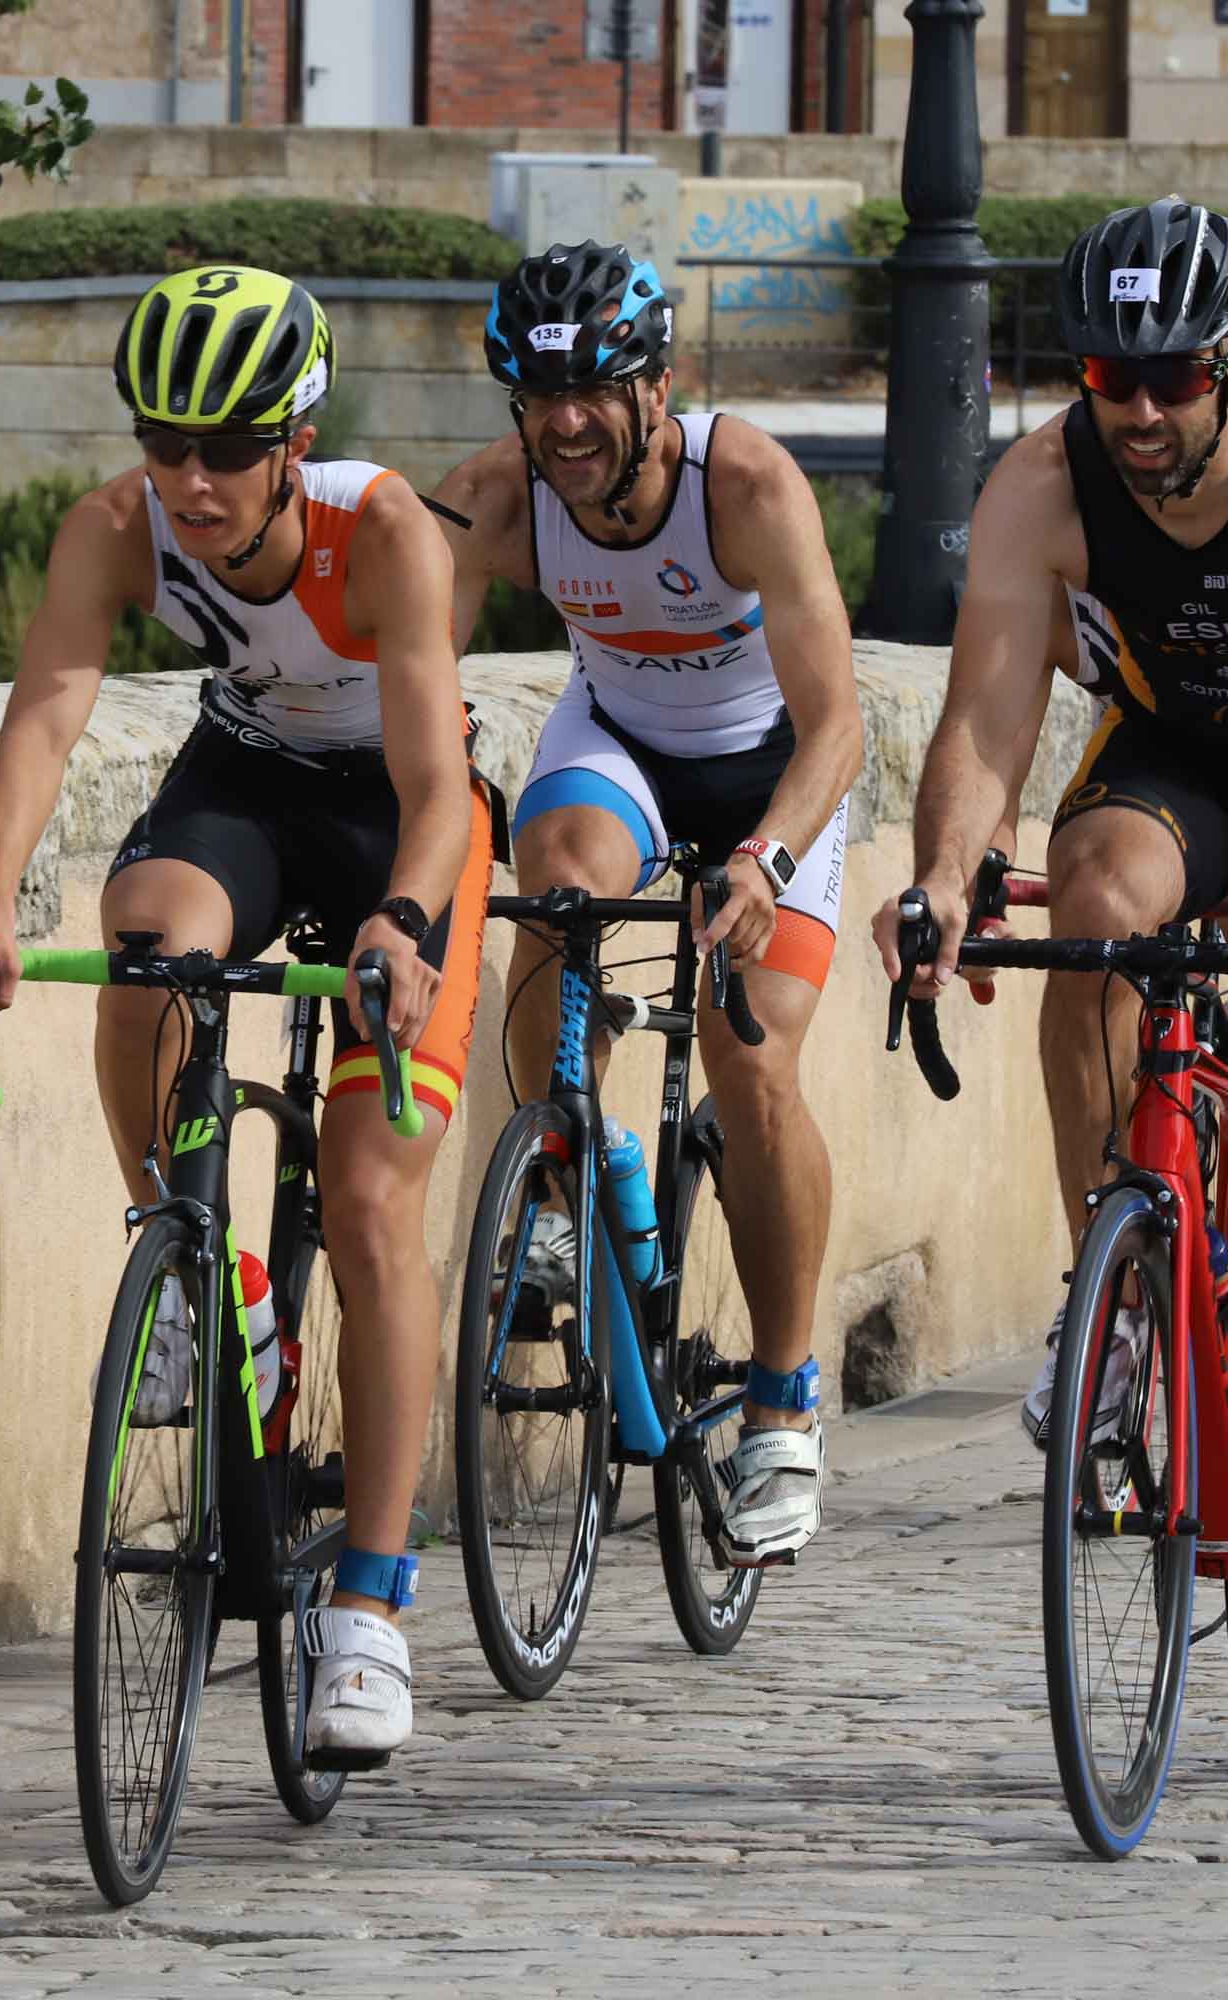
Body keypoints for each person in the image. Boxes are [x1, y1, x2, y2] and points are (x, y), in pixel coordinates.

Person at [0, 267, 493, 1761]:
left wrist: (407, 924)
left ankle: (369, 1611)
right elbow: (45, 711)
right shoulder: (117, 530)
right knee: (146, 950)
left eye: (228, 449)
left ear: (293, 441)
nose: (190, 479)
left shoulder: (381, 533)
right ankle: (200, 1261)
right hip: (246, 781)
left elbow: (440, 788)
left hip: (401, 821)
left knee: (372, 1202)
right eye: (166, 441)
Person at [880, 200, 1228, 1689]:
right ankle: (1118, 1297)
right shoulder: (1040, 484)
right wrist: (944, 874)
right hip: (1179, 769)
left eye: (1171, 379)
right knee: (1093, 906)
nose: (1135, 411)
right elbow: (985, 722)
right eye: (1104, 377)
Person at [433, 242, 865, 1567]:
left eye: (593, 390)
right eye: (534, 394)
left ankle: (783, 1402)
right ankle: (560, 1183)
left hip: (769, 773)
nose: (562, 423)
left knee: (749, 1060)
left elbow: (838, 721)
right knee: (554, 878)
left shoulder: (746, 484)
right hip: (619, 738)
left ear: (656, 385)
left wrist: (769, 863)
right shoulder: (500, 497)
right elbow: (397, 656)